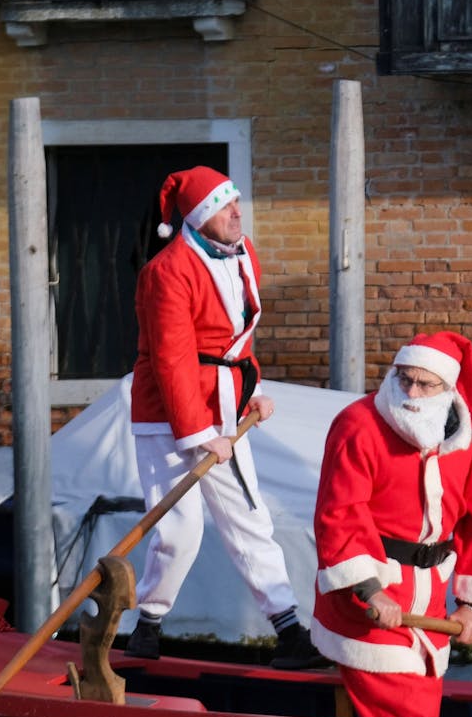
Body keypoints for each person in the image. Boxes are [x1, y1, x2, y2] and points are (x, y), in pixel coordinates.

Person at [125, 165, 325, 669]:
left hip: (224, 406)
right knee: (181, 527)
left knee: (250, 519)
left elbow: (236, 343)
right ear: (197, 217)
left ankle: (289, 633)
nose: (237, 212)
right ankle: (147, 626)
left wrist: (252, 389)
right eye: (223, 205)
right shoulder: (166, 272)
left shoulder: (242, 255)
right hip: (167, 415)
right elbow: (171, 359)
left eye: (236, 202)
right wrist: (197, 435)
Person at [309, 331, 472, 717]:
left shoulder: (469, 444)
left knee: (422, 704)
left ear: (447, 389)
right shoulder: (358, 425)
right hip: (366, 601)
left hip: (430, 604)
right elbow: (339, 513)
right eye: (404, 379)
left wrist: (470, 605)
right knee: (408, 715)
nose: (412, 393)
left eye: (424, 384)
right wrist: (371, 591)